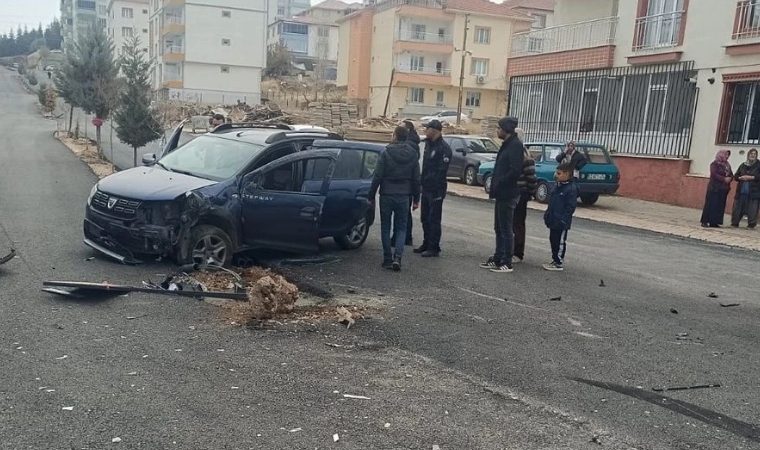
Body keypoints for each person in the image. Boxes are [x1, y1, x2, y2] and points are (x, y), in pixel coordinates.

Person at [369, 126, 421, 271]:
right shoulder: (413, 155)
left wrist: (371, 195)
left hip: (386, 194)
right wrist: (417, 199)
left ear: (396, 136)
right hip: (404, 195)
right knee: (401, 227)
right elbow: (416, 179)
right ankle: (397, 257)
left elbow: (378, 176)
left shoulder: (386, 152)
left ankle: (387, 258)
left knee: (385, 227)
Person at [479, 117, 524, 273]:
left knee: (505, 229)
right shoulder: (507, 145)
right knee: (498, 227)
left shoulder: (515, 146)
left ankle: (506, 261)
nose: (497, 131)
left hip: (508, 193)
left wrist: (501, 182)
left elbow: (515, 170)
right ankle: (498, 257)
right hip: (501, 193)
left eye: (499, 128)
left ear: (506, 129)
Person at [414, 119, 452, 258]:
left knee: (434, 219)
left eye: (427, 128)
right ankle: (426, 242)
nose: (425, 131)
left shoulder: (444, 148)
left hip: (436, 189)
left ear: (434, 130)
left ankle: (434, 247)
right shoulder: (428, 145)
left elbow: (441, 172)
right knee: (425, 218)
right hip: (426, 188)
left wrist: (434, 186)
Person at [543, 162, 579, 272]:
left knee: (560, 241)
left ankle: (558, 262)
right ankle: (554, 259)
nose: (556, 175)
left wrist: (564, 219)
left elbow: (571, 206)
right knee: (553, 239)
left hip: (562, 221)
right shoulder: (557, 186)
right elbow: (552, 202)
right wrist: (547, 214)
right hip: (553, 219)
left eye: (559, 173)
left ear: (567, 174)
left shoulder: (571, 189)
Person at [392, 120, 420, 247]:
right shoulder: (413, 144)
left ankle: (402, 237)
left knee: (403, 214)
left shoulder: (409, 146)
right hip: (407, 184)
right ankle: (404, 237)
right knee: (404, 213)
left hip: (404, 184)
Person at [513, 127, 537, 264]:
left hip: (521, 193)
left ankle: (517, 253)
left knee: (518, 224)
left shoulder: (524, 156)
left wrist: (529, 193)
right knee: (511, 224)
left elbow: (532, 177)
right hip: (513, 193)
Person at [700, 149, 733, 228]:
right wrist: (724, 179)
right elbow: (714, 174)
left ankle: (714, 222)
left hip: (723, 189)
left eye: (728, 155)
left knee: (719, 205)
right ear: (721, 154)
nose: (727, 156)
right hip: (714, 188)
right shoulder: (714, 164)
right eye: (725, 154)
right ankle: (705, 221)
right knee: (710, 205)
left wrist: (730, 178)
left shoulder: (727, 165)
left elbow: (731, 174)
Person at [731, 148, 760, 228]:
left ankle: (751, 224)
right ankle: (735, 223)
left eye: (754, 154)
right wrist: (740, 178)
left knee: (752, 208)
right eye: (751, 153)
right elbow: (736, 175)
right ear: (748, 155)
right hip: (741, 190)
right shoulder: (743, 165)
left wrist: (751, 177)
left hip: (754, 191)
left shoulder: (758, 165)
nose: (752, 155)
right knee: (737, 207)